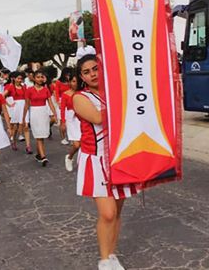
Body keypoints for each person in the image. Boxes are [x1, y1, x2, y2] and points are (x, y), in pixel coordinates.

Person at [73, 51, 138, 270]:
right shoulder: (79, 98)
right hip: (95, 160)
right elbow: (99, 118)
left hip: (119, 157)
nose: (92, 74)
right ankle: (103, 260)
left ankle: (112, 255)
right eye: (86, 72)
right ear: (81, 77)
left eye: (95, 69)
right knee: (107, 213)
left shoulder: (114, 92)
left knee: (117, 212)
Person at [23, 69, 56, 166]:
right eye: (38, 77)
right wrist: (24, 118)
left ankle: (38, 154)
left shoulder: (46, 90)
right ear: (34, 78)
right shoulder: (29, 90)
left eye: (42, 77)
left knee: (42, 135)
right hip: (34, 113)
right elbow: (26, 105)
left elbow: (50, 103)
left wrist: (55, 114)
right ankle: (43, 157)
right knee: (38, 136)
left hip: (43, 113)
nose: (40, 79)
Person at [4, 71, 30, 153]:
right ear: (14, 79)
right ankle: (13, 142)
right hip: (16, 107)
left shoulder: (24, 86)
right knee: (15, 126)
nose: (20, 80)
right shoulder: (10, 87)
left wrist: (28, 105)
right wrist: (8, 105)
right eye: (18, 78)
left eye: (21, 79)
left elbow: (27, 97)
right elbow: (2, 96)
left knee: (26, 126)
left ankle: (28, 146)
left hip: (24, 106)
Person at [61, 73, 81, 172]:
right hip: (71, 119)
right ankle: (69, 157)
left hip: (82, 117)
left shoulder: (82, 92)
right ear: (69, 82)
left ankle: (81, 161)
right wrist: (63, 122)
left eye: (77, 81)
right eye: (73, 81)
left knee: (84, 142)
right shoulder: (65, 94)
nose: (75, 83)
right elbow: (63, 109)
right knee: (77, 144)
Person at [54, 68, 73, 145]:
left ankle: (72, 137)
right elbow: (57, 92)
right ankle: (63, 137)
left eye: (69, 74)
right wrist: (58, 102)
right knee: (62, 120)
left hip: (69, 100)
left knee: (70, 120)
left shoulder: (71, 82)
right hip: (61, 101)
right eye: (67, 74)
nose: (68, 76)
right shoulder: (58, 82)